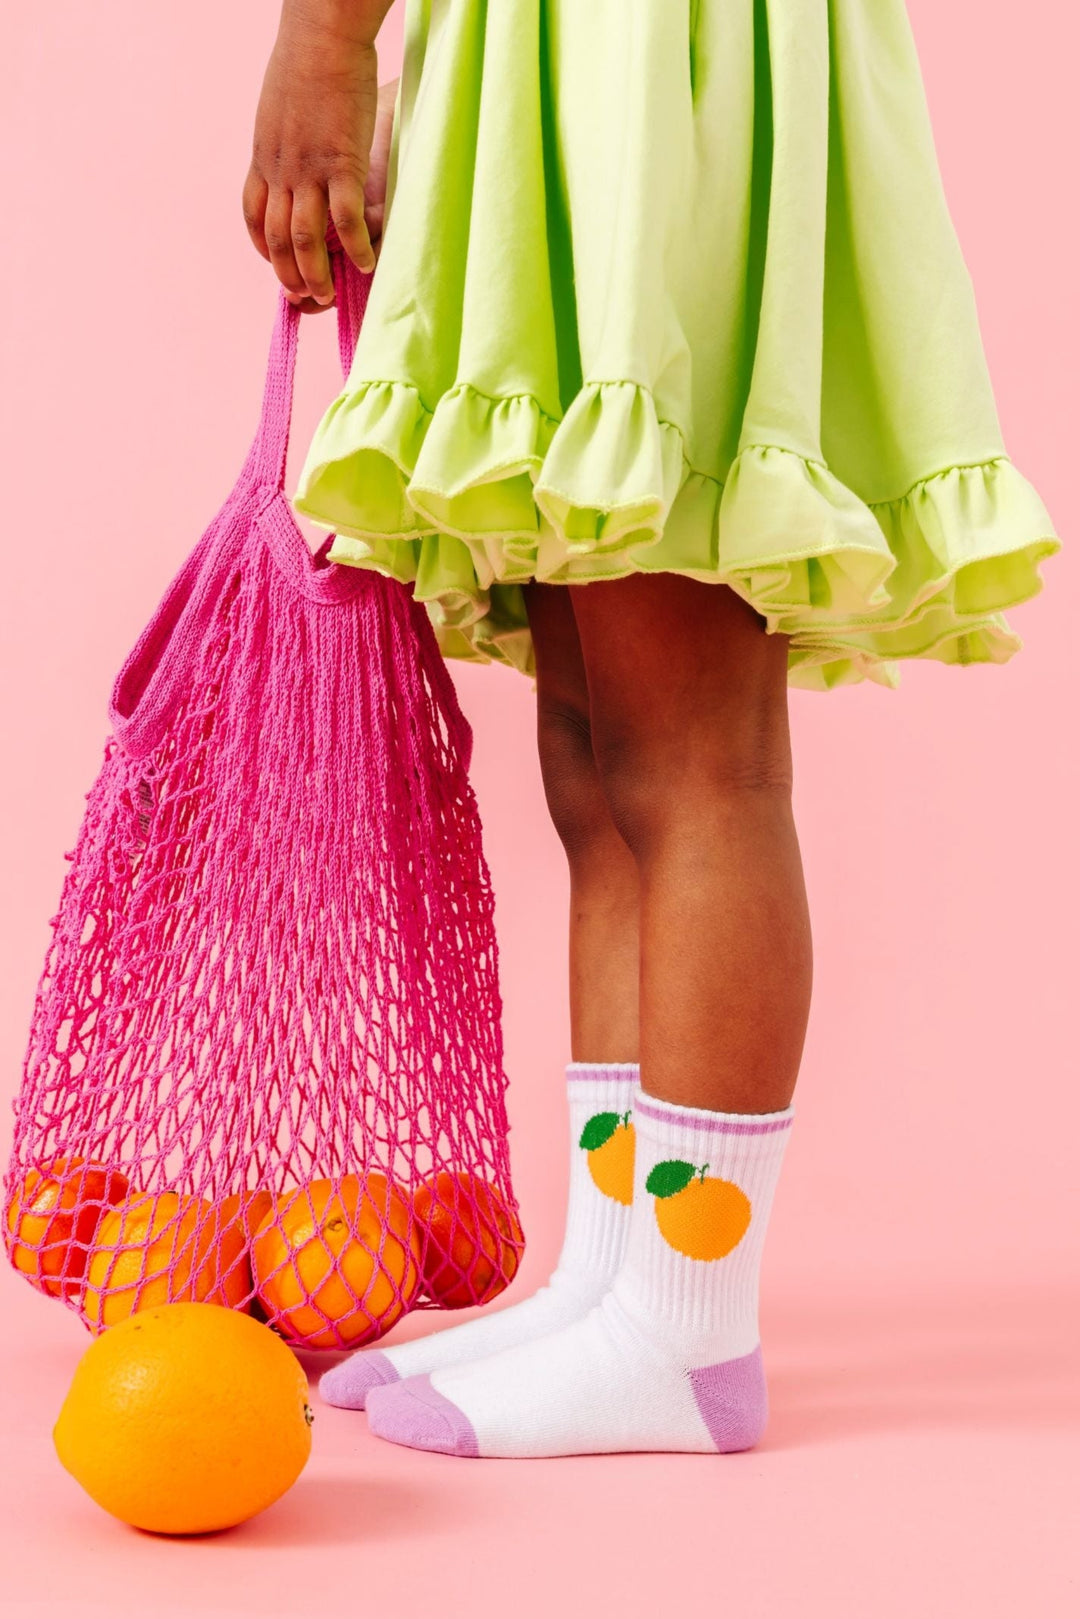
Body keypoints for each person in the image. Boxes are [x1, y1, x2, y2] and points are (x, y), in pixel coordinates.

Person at [242, 0, 1058, 1458]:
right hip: (574, 61)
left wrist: (324, 34)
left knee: (691, 755)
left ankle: (688, 1329)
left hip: (651, 66)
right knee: (600, 759)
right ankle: (615, 1281)